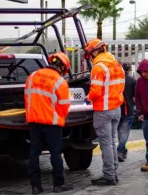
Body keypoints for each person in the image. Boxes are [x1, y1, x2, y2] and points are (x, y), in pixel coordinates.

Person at [24, 52, 73, 194]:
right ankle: (59, 185)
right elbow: (64, 106)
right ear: (63, 68)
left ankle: (36, 187)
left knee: (34, 153)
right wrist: (59, 118)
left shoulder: (32, 76)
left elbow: (27, 96)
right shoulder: (60, 82)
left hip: (33, 121)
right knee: (55, 153)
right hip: (52, 123)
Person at [85, 38, 125, 186]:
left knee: (106, 144)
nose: (90, 57)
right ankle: (113, 173)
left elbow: (95, 91)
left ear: (96, 50)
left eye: (90, 53)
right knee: (112, 143)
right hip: (116, 109)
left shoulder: (99, 67)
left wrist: (87, 98)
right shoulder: (117, 65)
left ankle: (109, 176)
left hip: (103, 110)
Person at [117, 62, 136, 162]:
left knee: (120, 131)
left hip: (116, 108)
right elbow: (135, 95)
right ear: (129, 70)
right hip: (128, 109)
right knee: (124, 132)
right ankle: (120, 150)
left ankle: (122, 151)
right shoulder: (132, 80)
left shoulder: (116, 79)